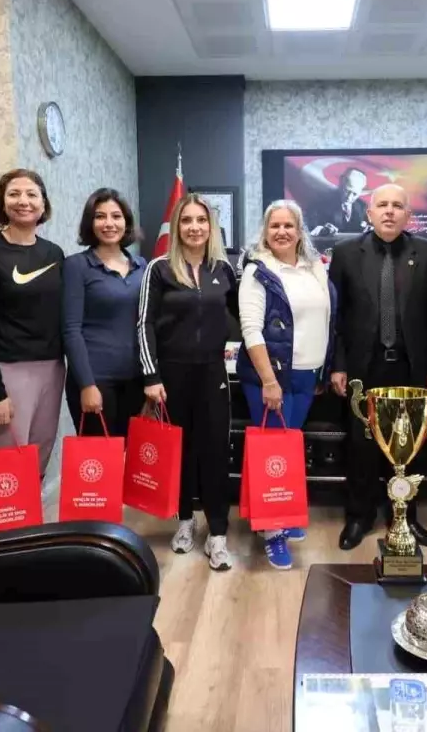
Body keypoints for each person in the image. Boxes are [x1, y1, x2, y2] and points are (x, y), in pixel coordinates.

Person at [328, 184, 427, 551]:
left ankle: (407, 518)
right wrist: (338, 364)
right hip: (362, 368)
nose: (389, 211)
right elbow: (336, 316)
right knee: (361, 445)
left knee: (409, 446)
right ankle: (359, 516)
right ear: (369, 213)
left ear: (408, 216)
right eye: (382, 204)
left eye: (398, 206)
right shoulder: (346, 253)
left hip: (411, 369)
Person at [138, 194, 239, 571]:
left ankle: (218, 533)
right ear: (176, 227)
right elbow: (144, 324)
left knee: (215, 451)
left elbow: (241, 317)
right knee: (179, 452)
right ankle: (185, 520)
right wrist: (151, 375)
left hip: (213, 373)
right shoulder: (159, 269)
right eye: (186, 220)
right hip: (171, 375)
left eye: (201, 220)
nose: (194, 227)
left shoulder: (223, 270)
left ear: (211, 227)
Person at [236, 199, 336, 569]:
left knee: (287, 451)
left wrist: (321, 370)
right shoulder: (257, 271)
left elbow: (326, 319)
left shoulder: (314, 267)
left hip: (307, 375)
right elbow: (251, 330)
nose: (281, 232)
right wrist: (269, 380)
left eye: (288, 225)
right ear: (265, 232)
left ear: (299, 230)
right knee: (273, 454)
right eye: (274, 226)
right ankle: (272, 533)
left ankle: (277, 512)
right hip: (272, 377)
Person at [0, 169, 65, 476]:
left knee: (40, 454)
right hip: (8, 369)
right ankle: (10, 513)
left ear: (43, 204)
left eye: (32, 194)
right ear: (2, 201)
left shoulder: (54, 253)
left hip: (52, 368)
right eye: (14, 194)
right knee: (8, 464)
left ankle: (33, 509)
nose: (24, 201)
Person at [62, 188, 146, 438]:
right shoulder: (76, 266)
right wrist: (87, 385)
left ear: (126, 222)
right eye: (100, 216)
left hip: (135, 381)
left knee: (133, 456)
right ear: (90, 222)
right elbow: (71, 330)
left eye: (116, 216)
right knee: (99, 459)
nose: (109, 223)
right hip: (95, 381)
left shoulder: (142, 266)